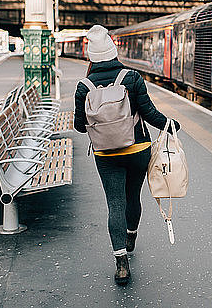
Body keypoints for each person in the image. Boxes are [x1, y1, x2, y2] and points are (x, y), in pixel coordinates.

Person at [73, 24, 180, 286]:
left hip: (106, 155)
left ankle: (121, 263)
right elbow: (150, 113)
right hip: (138, 149)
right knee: (132, 197)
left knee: (115, 204)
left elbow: (78, 126)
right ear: (112, 52)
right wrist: (171, 125)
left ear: (91, 57)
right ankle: (131, 235)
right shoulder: (131, 78)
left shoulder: (83, 86)